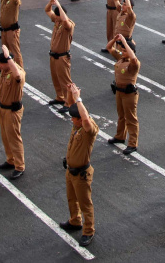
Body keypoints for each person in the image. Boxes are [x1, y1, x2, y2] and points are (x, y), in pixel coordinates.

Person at [59, 84, 98, 247]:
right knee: (72, 199)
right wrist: (71, 94)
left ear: (81, 120)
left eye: (74, 118)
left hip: (82, 174)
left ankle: (88, 231)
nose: (71, 120)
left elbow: (86, 119)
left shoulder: (88, 130)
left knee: (85, 203)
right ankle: (75, 220)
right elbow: (71, 107)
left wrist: (79, 98)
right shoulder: (77, 126)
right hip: (71, 170)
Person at [0, 40, 26, 180]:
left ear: (8, 62)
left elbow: (17, 76)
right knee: (5, 136)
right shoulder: (5, 68)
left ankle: (19, 166)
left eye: (2, 63)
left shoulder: (18, 72)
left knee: (14, 138)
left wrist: (8, 57)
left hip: (12, 110)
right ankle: (11, 160)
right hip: (3, 108)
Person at [105, 34, 139, 155]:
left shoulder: (134, 63)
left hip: (129, 93)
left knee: (131, 118)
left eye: (125, 50)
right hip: (119, 91)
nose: (123, 52)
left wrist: (125, 42)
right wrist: (114, 39)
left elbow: (133, 59)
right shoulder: (121, 58)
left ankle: (132, 143)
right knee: (121, 116)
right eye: (122, 50)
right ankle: (120, 136)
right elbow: (109, 47)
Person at [45, 0, 75, 112]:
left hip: (62, 57)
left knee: (65, 81)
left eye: (57, 16)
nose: (55, 18)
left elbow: (65, 21)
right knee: (56, 78)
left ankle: (69, 102)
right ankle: (60, 97)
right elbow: (47, 10)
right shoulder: (57, 21)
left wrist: (59, 6)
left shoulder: (68, 25)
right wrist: (50, 3)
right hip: (53, 56)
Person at [0, 0, 23, 69]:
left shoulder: (14, 2)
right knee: (6, 50)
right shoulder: (5, 0)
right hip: (4, 30)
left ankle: (19, 69)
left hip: (12, 30)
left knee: (15, 51)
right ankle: (8, 67)